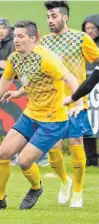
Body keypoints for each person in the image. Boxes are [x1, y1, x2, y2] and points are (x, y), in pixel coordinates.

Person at [0, 20, 82, 210]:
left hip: (53, 120)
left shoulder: (46, 58)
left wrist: (78, 101)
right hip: (31, 114)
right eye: (15, 36)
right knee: (3, 154)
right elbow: (7, 78)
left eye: (21, 36)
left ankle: (35, 188)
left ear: (33, 38)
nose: (16, 40)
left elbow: (71, 79)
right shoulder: (14, 58)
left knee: (24, 161)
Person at [39, 1, 99, 207]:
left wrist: (81, 94)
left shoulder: (81, 38)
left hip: (75, 103)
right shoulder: (44, 42)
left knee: (76, 145)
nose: (50, 20)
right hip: (52, 104)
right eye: (48, 17)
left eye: (54, 16)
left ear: (65, 17)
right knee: (53, 149)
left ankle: (78, 193)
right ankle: (65, 181)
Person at [81, 14, 99, 167]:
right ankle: (91, 158)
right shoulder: (83, 45)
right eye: (87, 28)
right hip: (87, 88)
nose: (90, 31)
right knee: (89, 124)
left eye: (93, 28)